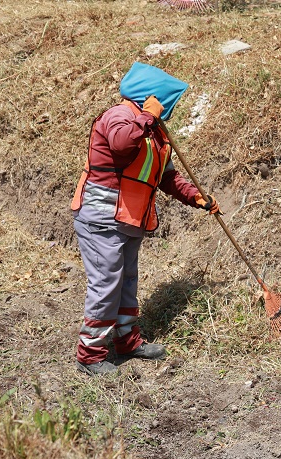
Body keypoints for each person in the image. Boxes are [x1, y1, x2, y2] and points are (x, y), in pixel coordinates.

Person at [71, 62, 220, 376]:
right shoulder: (120, 116)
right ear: (151, 97)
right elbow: (122, 144)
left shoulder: (153, 133)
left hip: (129, 219)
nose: (168, 110)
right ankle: (90, 353)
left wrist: (195, 197)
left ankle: (127, 341)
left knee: (126, 282)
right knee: (106, 283)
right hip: (101, 218)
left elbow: (166, 177)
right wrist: (148, 116)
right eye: (165, 103)